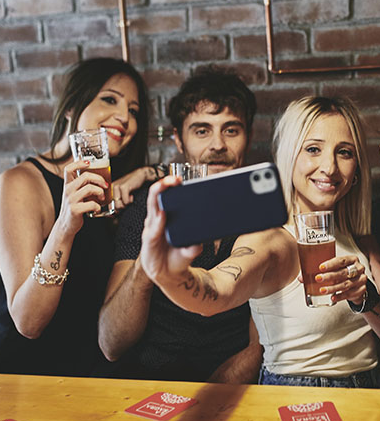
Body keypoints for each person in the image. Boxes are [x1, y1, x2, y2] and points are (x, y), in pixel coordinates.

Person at [137, 96, 380, 388]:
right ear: (289, 156)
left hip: (369, 394)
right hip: (296, 396)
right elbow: (216, 292)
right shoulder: (270, 239)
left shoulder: (360, 239)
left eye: (344, 152)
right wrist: (167, 272)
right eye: (313, 149)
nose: (329, 167)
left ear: (357, 169)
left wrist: (365, 298)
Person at [0, 57, 156, 376]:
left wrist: (148, 173)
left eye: (134, 111)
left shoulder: (111, 192)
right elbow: (28, 322)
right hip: (14, 377)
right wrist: (65, 226)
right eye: (109, 99)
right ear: (71, 106)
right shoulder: (21, 183)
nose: (124, 117)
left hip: (80, 380)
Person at [98, 69, 264, 383]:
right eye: (201, 131)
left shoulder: (263, 211)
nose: (217, 145)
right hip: (149, 383)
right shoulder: (150, 207)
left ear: (249, 136)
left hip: (231, 388)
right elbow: (112, 344)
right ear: (178, 139)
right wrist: (149, 264)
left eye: (231, 130)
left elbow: (260, 347)